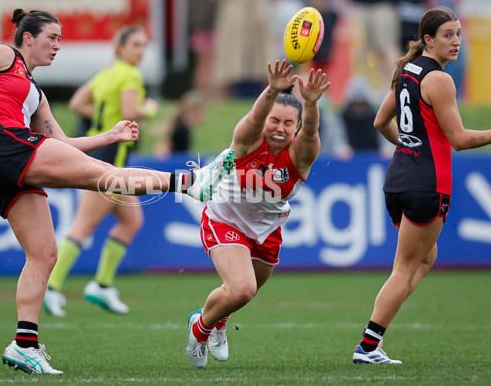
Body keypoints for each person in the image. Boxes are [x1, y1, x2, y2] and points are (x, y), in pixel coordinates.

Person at [0, 8, 235, 375]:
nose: (58, 46)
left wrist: (109, 135)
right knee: (107, 176)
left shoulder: (36, 92)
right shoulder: (3, 55)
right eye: (52, 38)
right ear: (28, 37)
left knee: (45, 252)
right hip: (6, 146)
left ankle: (24, 344)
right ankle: (190, 183)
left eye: (61, 39)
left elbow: (62, 142)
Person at [351, 6, 491, 365]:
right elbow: (458, 139)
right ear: (428, 39)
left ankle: (372, 343)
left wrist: (410, 145)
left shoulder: (406, 71)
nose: (457, 41)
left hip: (399, 181)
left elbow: (382, 122)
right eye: (448, 35)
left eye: (459, 34)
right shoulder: (440, 79)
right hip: (427, 183)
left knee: (426, 258)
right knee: (406, 267)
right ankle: (368, 346)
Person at [185, 59, 330, 368]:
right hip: (224, 218)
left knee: (240, 294)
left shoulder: (301, 155)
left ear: (297, 127)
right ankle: (200, 329)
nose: (279, 127)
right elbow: (254, 116)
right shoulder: (248, 140)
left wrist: (312, 104)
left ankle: (216, 319)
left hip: (266, 229)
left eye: (288, 123)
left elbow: (311, 132)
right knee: (242, 289)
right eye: (275, 120)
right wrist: (272, 89)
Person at [43, 25, 159, 317]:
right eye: (135, 45)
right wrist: (151, 108)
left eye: (144, 45)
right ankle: (51, 287)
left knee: (132, 220)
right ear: (119, 47)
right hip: (108, 163)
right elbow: (132, 111)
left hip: (101, 156)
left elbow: (76, 102)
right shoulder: (130, 74)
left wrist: (104, 121)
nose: (141, 51)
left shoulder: (107, 72)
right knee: (83, 227)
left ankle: (102, 285)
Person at [154, 89, 209, 158]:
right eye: (201, 113)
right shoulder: (181, 130)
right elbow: (163, 150)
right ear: (193, 111)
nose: (203, 116)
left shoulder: (183, 128)